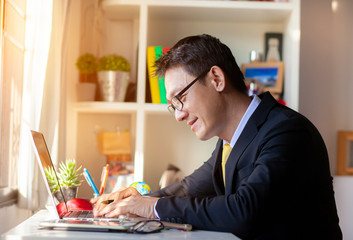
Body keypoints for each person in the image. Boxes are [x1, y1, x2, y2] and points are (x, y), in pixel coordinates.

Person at [91, 34, 342, 239]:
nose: (178, 115)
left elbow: (245, 211)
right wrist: (136, 200)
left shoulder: (286, 131)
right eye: (173, 105)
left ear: (217, 79)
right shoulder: (231, 140)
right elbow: (190, 187)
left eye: (181, 98)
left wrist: (151, 207)